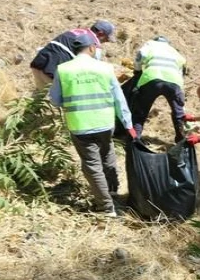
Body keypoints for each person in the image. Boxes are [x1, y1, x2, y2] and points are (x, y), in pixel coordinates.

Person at [49, 34, 136, 218]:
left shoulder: (63, 70)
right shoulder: (105, 68)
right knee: (107, 154)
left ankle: (106, 207)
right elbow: (119, 99)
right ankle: (113, 192)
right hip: (105, 123)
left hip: (80, 125)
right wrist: (128, 124)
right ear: (91, 48)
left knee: (92, 165)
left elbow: (55, 101)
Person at [30, 20, 117, 90]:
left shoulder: (76, 31)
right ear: (100, 33)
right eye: (106, 39)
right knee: (60, 100)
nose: (105, 42)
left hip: (39, 62)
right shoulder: (93, 43)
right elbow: (93, 68)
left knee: (40, 99)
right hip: (53, 70)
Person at [131, 36, 188, 142]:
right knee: (178, 112)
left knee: (140, 112)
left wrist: (137, 70)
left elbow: (141, 55)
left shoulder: (151, 44)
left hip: (152, 78)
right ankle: (181, 140)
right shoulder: (173, 50)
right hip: (174, 80)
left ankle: (135, 140)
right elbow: (183, 66)